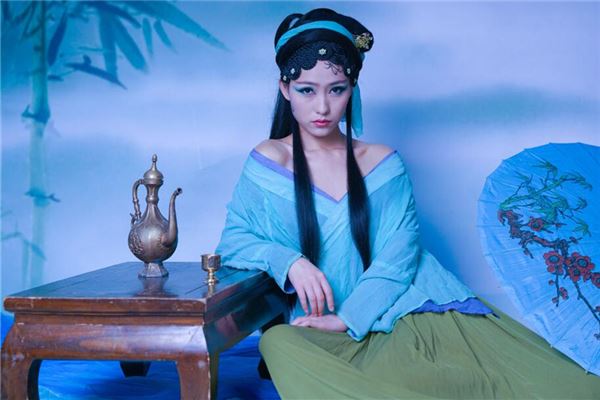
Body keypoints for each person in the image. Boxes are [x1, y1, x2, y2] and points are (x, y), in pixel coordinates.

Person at [216, 8, 600, 399]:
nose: (323, 107)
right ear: (285, 89)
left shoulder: (381, 163)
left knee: (540, 387)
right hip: (319, 330)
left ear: (352, 88)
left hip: (405, 310)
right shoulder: (269, 162)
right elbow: (234, 242)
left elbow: (398, 256)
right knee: (276, 342)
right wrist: (291, 262)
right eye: (306, 90)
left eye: (337, 89)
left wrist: (348, 318)